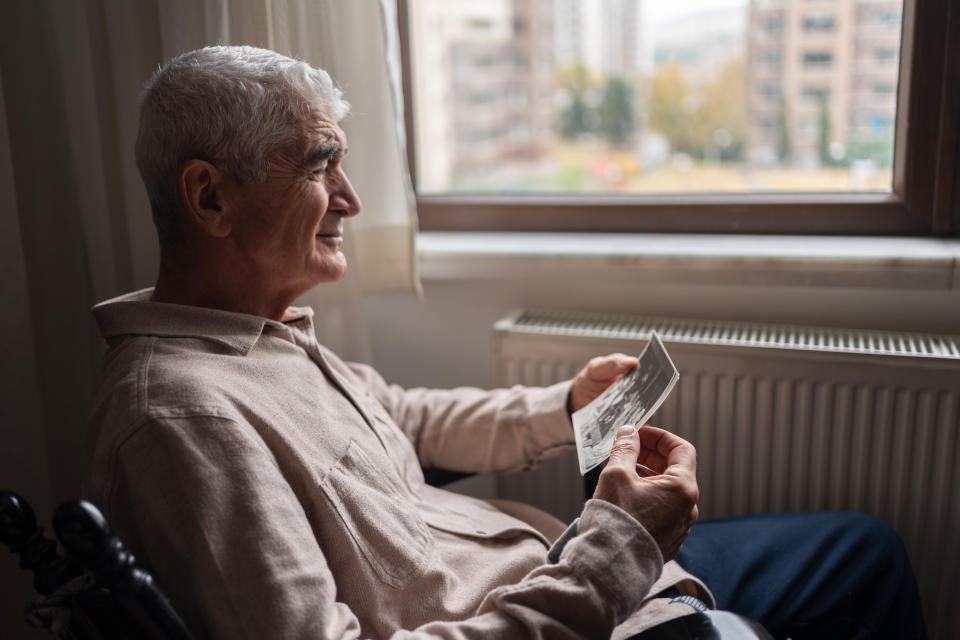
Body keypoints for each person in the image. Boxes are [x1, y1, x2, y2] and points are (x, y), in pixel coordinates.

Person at [85, 46, 925, 640]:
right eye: (319, 164)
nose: (350, 197)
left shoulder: (260, 336)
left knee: (863, 544)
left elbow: (403, 417)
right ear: (211, 198)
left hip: (557, 570)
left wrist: (563, 409)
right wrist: (614, 554)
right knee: (862, 566)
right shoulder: (182, 420)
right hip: (571, 601)